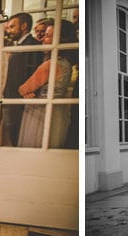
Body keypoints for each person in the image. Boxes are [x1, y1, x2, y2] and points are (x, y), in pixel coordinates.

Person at [17, 20, 77, 148]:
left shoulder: (50, 65)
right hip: (58, 112)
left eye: (48, 36)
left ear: (61, 40)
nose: (43, 39)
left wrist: (27, 92)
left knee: (34, 147)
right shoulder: (67, 63)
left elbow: (23, 89)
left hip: (41, 112)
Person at [1, 13, 43, 146]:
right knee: (12, 132)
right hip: (12, 97)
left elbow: (35, 71)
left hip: (21, 99)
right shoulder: (18, 44)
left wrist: (31, 91)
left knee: (17, 132)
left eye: (12, 27)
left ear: (24, 26)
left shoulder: (33, 45)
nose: (9, 31)